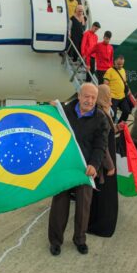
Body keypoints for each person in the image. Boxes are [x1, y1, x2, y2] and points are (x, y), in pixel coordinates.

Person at [48, 83, 108, 256]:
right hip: (65, 166)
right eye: (87, 96)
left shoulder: (100, 118)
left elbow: (100, 145)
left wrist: (94, 165)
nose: (90, 101)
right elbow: (48, 120)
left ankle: (79, 240)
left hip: (85, 168)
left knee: (84, 206)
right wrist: (50, 108)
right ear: (79, 96)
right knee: (59, 204)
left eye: (93, 98)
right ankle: (55, 241)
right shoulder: (64, 112)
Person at [88, 84, 118, 237]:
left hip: (104, 162)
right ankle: (100, 226)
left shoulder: (101, 112)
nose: (111, 101)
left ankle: (95, 223)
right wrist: (110, 166)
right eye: (109, 97)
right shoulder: (101, 114)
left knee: (100, 196)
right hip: (105, 165)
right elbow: (102, 144)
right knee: (104, 195)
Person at [103, 55, 131, 123]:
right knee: (113, 115)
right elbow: (105, 85)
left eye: (122, 64)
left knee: (127, 111)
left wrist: (128, 89)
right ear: (114, 62)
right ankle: (111, 128)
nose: (120, 66)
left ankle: (119, 125)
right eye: (118, 64)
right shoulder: (109, 71)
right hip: (113, 97)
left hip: (122, 96)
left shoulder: (123, 70)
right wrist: (107, 97)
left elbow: (124, 82)